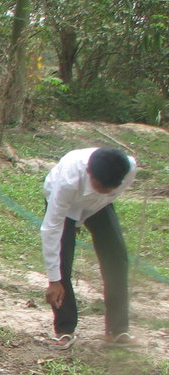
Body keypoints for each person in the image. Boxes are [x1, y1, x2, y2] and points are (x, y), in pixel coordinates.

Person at [39, 146, 138, 348]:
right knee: (63, 262)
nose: (107, 189)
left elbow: (108, 194)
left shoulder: (128, 169)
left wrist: (85, 216)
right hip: (65, 204)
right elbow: (51, 229)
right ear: (89, 174)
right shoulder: (67, 180)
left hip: (98, 206)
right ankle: (64, 329)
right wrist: (54, 280)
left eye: (111, 187)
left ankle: (117, 329)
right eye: (100, 185)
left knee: (117, 257)